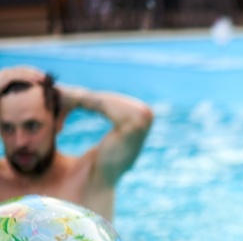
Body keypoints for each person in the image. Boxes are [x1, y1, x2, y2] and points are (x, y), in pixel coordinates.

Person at [0, 65, 153, 221]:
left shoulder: (91, 176)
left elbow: (138, 118)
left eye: (32, 126)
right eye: (7, 128)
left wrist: (70, 96)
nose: (20, 142)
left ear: (58, 120)